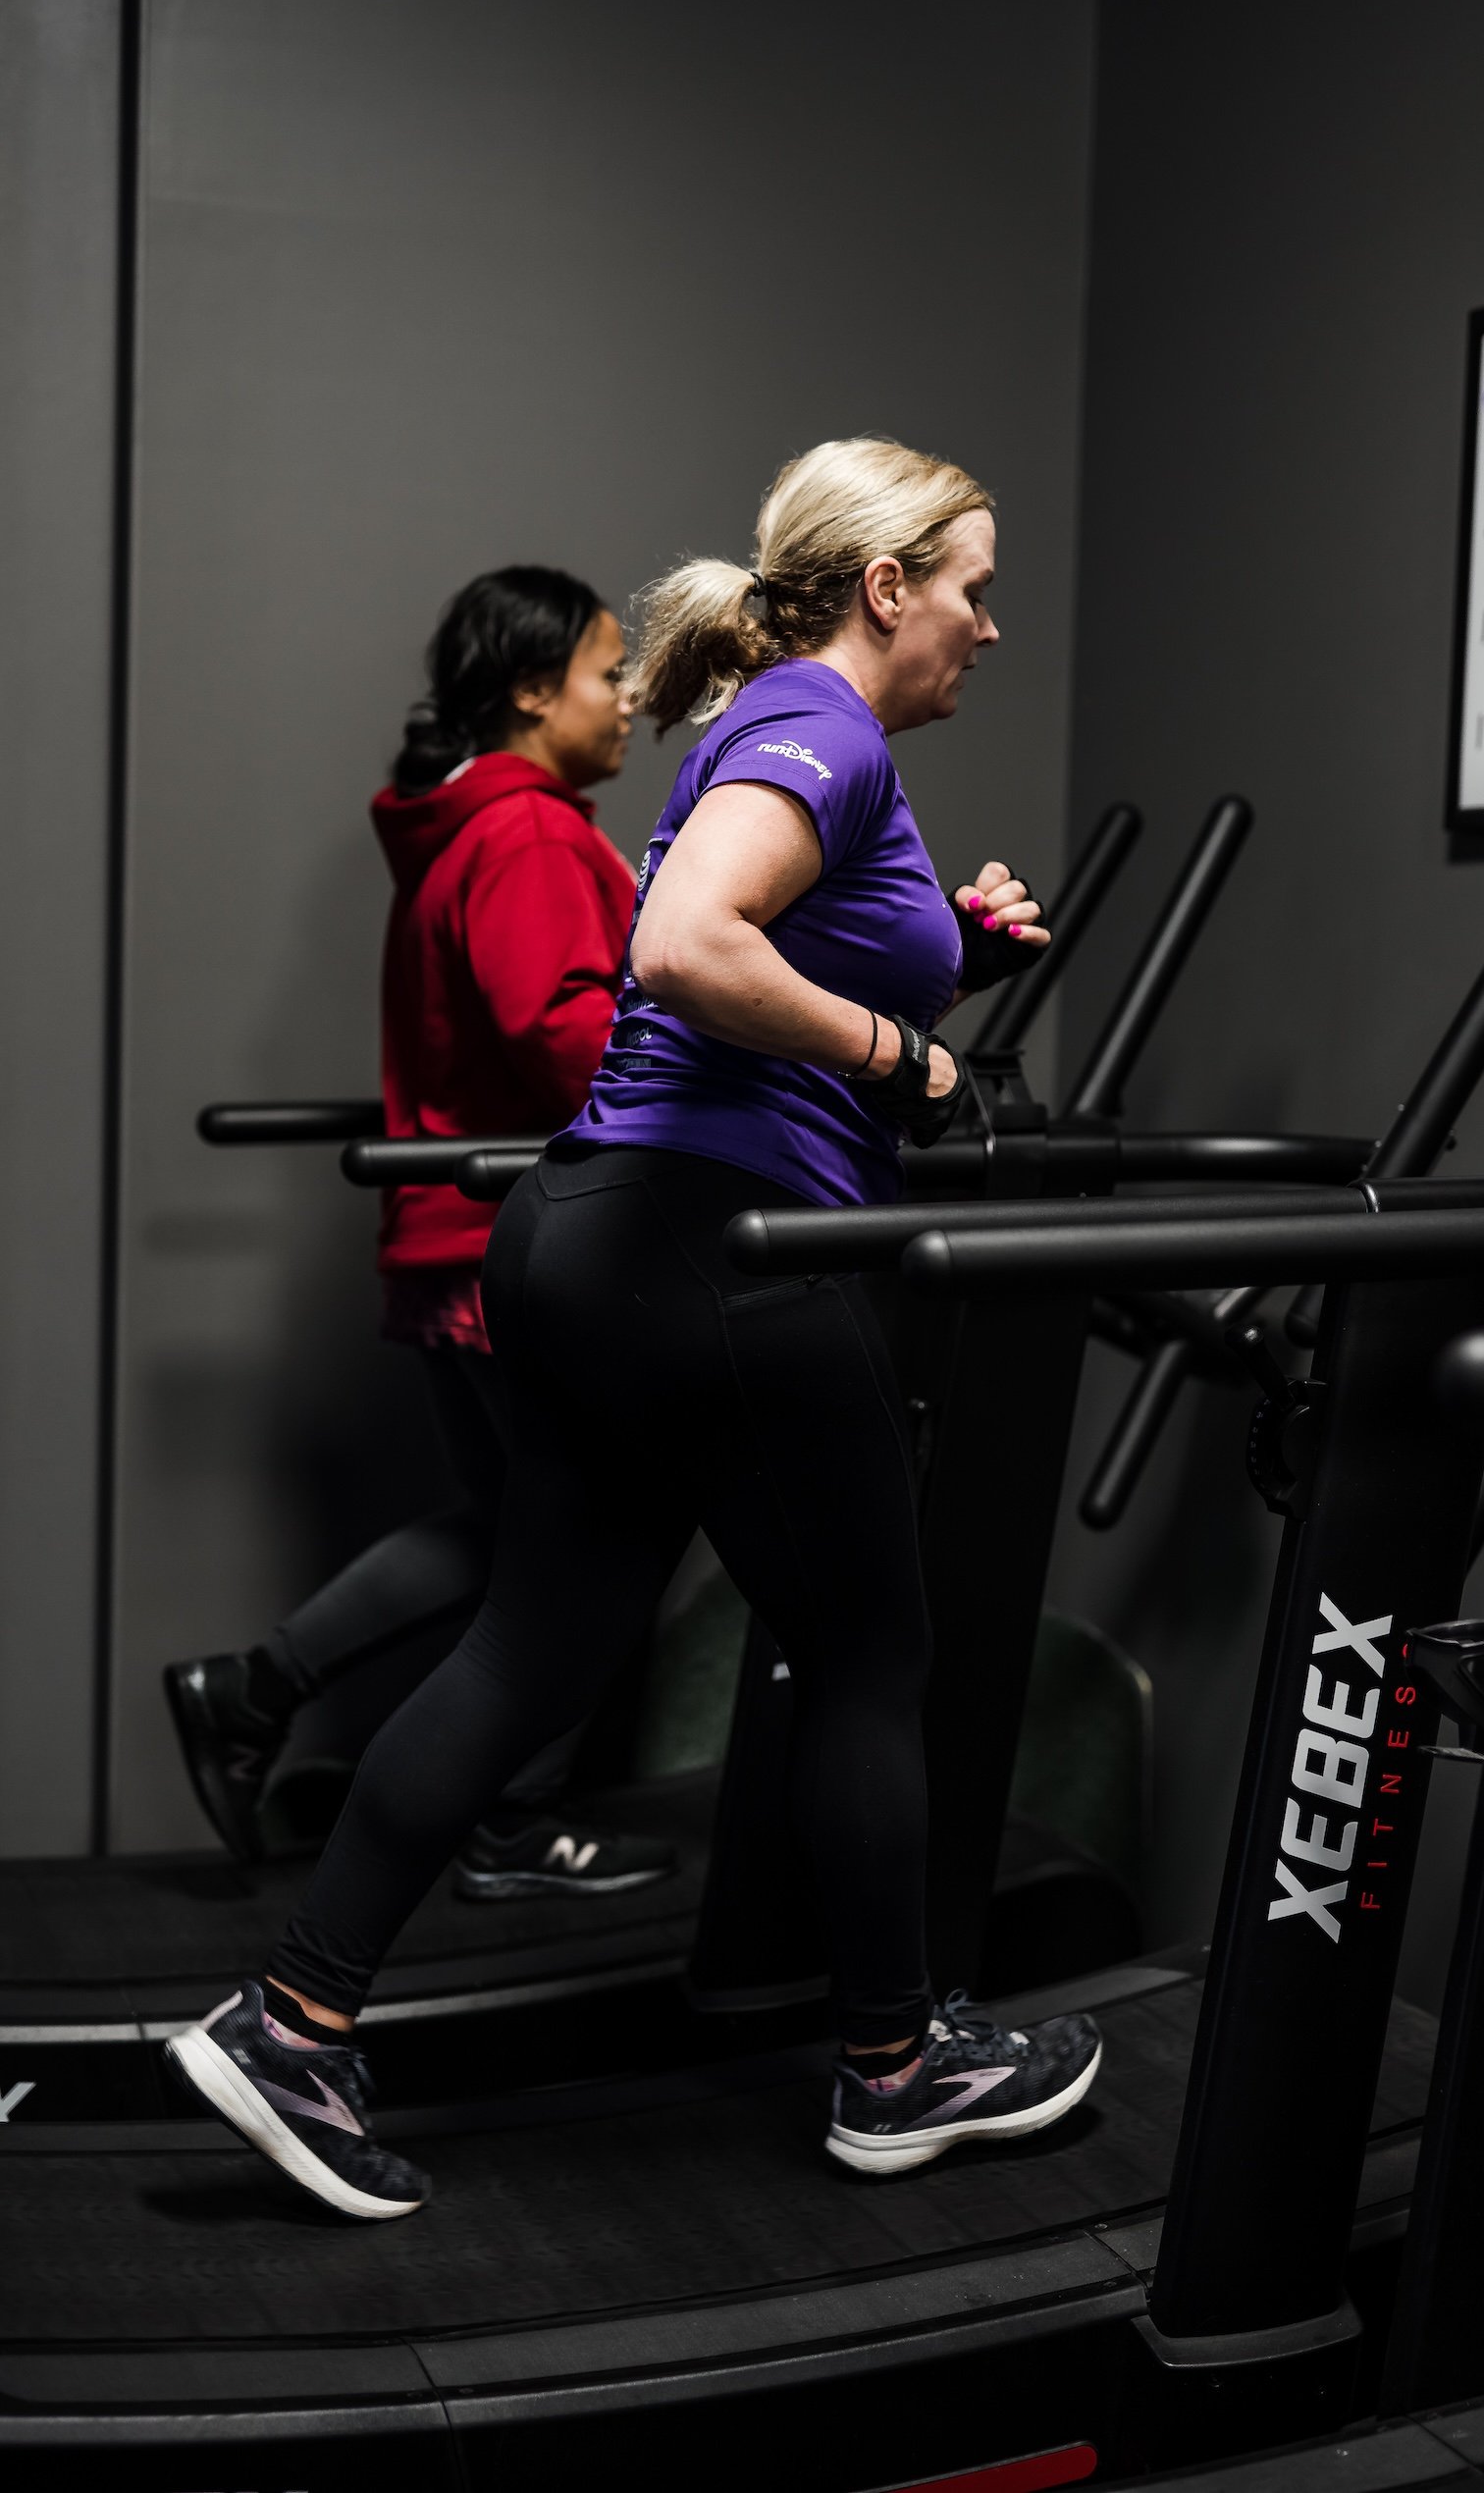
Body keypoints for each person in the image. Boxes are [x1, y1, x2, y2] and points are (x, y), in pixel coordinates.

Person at [165, 438, 1102, 2220]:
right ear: (887, 585)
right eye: (972, 585)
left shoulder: (788, 733)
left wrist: (945, 955)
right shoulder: (824, 729)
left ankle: (293, 2017)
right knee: (868, 1652)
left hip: (597, 1235)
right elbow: (680, 947)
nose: (991, 622)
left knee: (539, 1638)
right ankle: (899, 2064)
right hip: (716, 1248)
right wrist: (911, 1055)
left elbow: (753, 946)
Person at [164, 566, 674, 1899]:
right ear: (527, 690)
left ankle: (250, 1691)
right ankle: (508, 1815)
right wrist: (737, 1084)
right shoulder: (531, 836)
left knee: (511, 1530)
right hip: (524, 1253)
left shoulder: (472, 828)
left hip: (456, 1244)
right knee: (598, 1542)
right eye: (608, 673)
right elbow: (566, 1039)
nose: (628, 701)